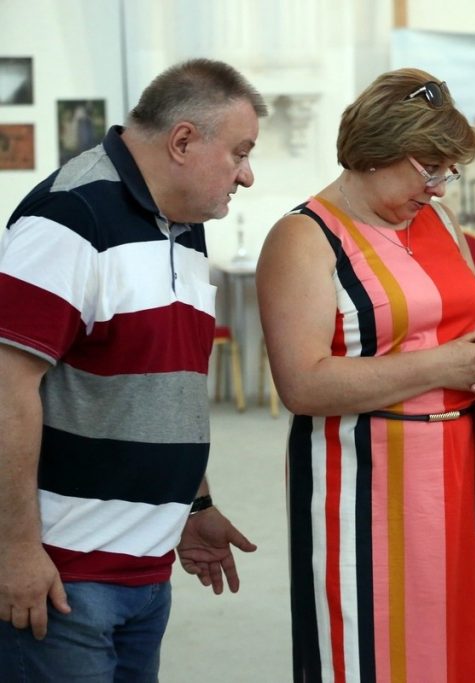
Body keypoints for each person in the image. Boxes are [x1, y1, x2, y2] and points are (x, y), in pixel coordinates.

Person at [0, 59, 265, 681]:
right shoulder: (69, 218)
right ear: (182, 141)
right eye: (240, 153)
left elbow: (164, 387)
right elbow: (6, 389)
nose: (247, 175)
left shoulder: (184, 225)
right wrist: (15, 549)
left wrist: (194, 505)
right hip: (65, 577)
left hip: (144, 571)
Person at [256, 68, 475, 682]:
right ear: (377, 151)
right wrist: (444, 365)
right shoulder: (305, 238)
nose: (440, 187)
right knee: (369, 651)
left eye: (449, 171)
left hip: (454, 469)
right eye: (430, 169)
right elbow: (302, 384)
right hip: (363, 485)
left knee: (454, 648)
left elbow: (462, 319)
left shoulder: (438, 222)